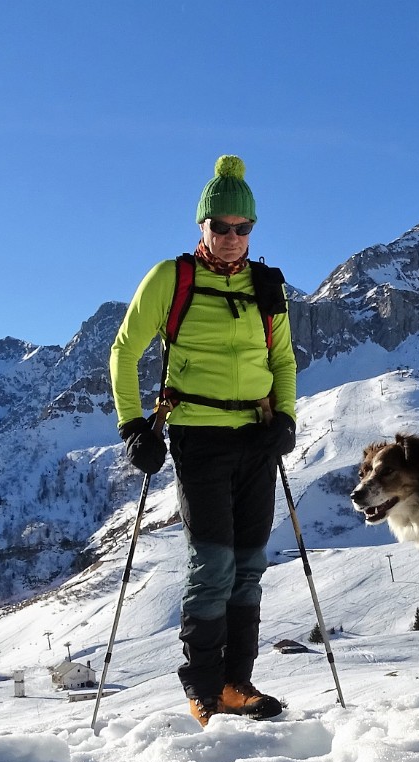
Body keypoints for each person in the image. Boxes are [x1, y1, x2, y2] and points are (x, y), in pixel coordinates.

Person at [109, 154, 297, 727]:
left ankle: (238, 684)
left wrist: (284, 418)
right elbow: (123, 351)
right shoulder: (172, 278)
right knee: (213, 564)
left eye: (244, 229)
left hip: (257, 439)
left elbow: (282, 358)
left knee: (248, 565)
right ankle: (204, 690)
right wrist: (133, 426)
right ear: (202, 226)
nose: (234, 238)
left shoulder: (267, 286)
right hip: (200, 438)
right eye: (222, 227)